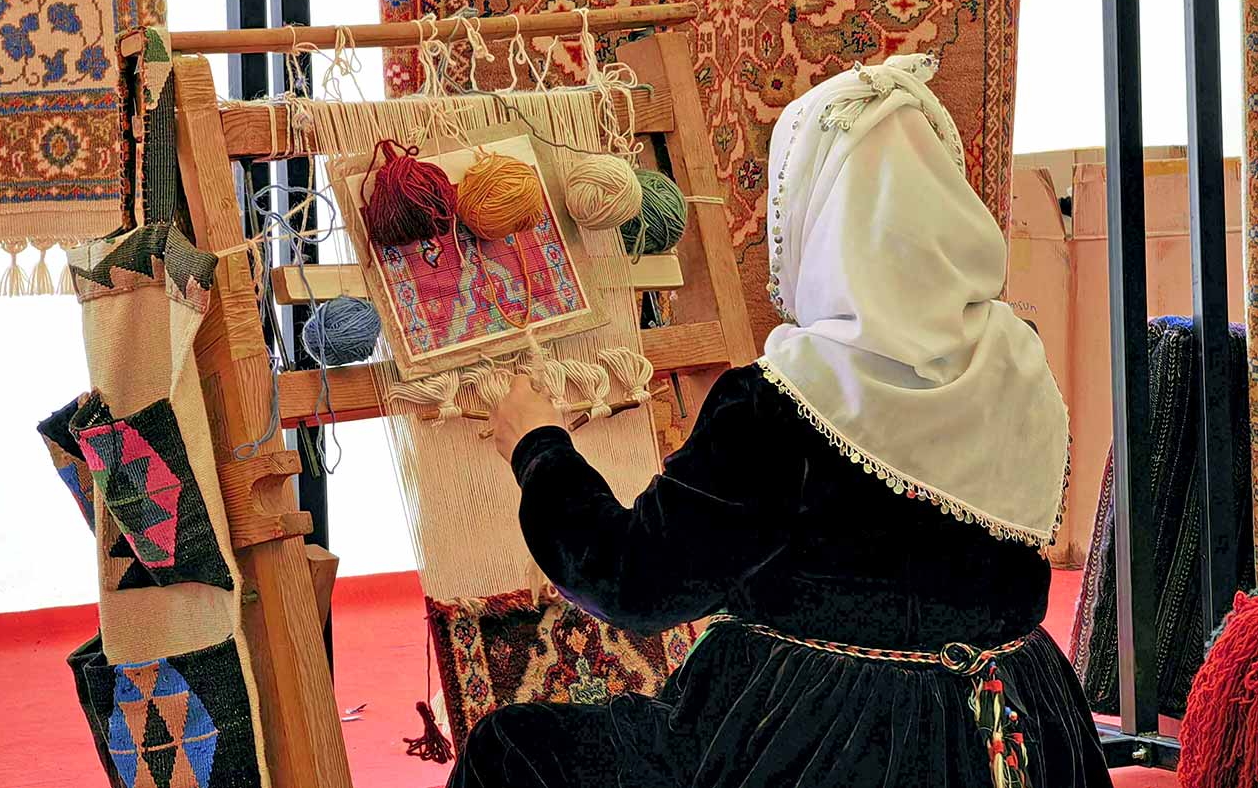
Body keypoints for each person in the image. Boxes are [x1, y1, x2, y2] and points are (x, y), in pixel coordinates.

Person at [450, 55, 1113, 788]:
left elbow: (632, 582)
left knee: (509, 752)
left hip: (830, 741)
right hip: (1013, 734)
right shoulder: (1019, 367)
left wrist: (540, 449)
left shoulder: (782, 406)